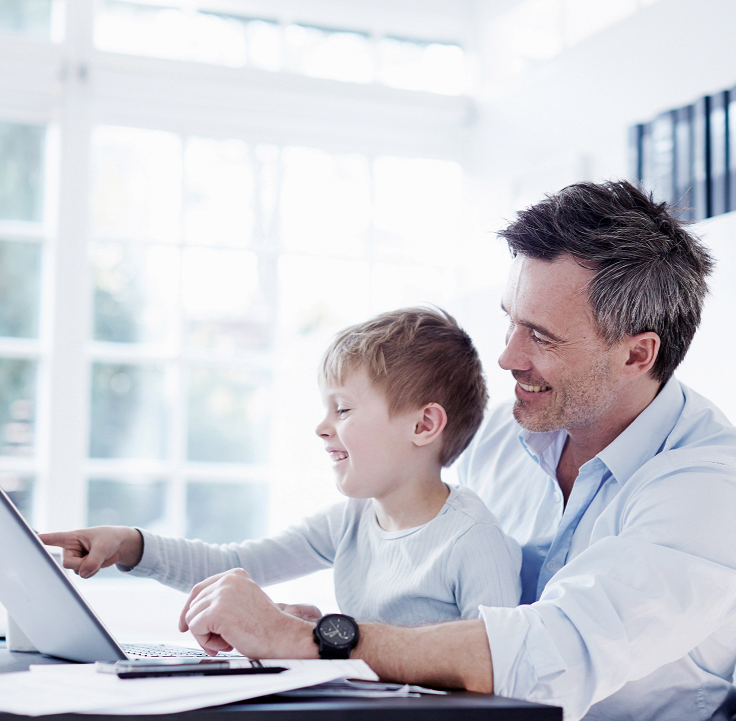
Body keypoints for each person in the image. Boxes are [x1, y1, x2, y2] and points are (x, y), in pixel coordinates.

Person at [112, 180, 734, 721]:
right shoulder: (503, 434)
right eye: (510, 320)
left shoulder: (707, 488)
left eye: (541, 336)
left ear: (636, 355)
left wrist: (308, 638)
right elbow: (423, 556)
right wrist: (297, 623)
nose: (507, 357)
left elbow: (546, 651)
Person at [42, 308, 521, 629]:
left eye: (344, 409)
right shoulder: (351, 522)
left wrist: (321, 639)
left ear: (423, 424)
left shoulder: (472, 540)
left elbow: (498, 676)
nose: (321, 427)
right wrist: (127, 544)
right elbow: (230, 565)